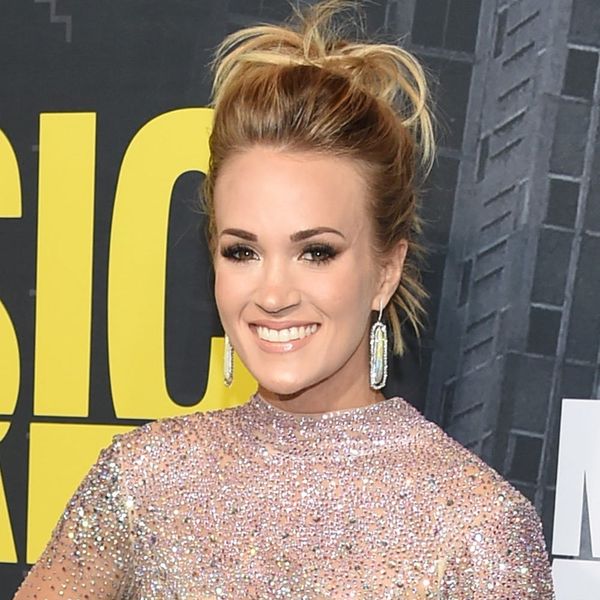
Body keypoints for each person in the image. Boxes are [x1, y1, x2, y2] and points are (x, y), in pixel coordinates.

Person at [14, 1, 555, 598]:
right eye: (242, 251)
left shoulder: (480, 533)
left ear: (386, 270)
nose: (272, 294)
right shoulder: (141, 482)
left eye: (316, 252)